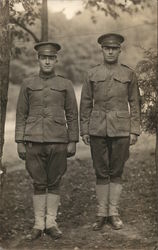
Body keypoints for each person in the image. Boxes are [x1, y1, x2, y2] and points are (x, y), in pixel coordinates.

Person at [15, 42, 79, 240]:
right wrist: (19, 140)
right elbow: (21, 114)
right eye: (44, 58)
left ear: (56, 60)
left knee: (55, 182)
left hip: (58, 140)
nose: (47, 61)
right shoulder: (27, 83)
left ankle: (51, 223)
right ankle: (38, 224)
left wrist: (73, 140)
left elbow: (72, 114)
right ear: (38, 59)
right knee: (38, 182)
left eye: (51, 58)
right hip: (33, 141)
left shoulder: (65, 84)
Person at [80, 33, 140, 230]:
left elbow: (135, 103)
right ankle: (101, 213)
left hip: (121, 129)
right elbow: (86, 103)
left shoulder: (129, 74)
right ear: (102, 50)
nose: (111, 51)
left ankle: (113, 213)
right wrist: (84, 130)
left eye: (114, 48)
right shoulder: (91, 74)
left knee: (116, 171)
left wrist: (134, 130)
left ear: (119, 50)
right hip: (97, 128)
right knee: (100, 171)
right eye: (107, 48)